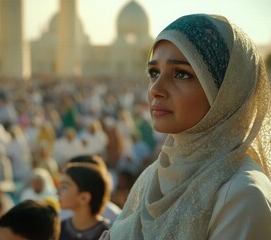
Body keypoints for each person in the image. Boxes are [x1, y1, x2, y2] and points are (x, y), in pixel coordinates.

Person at [108, 14, 271, 240]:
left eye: (181, 74)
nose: (156, 89)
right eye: (154, 73)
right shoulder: (156, 175)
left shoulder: (240, 196)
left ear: (226, 92)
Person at [58, 161, 111, 240]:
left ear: (84, 198)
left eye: (65, 187)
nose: (57, 192)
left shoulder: (109, 234)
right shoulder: (59, 229)